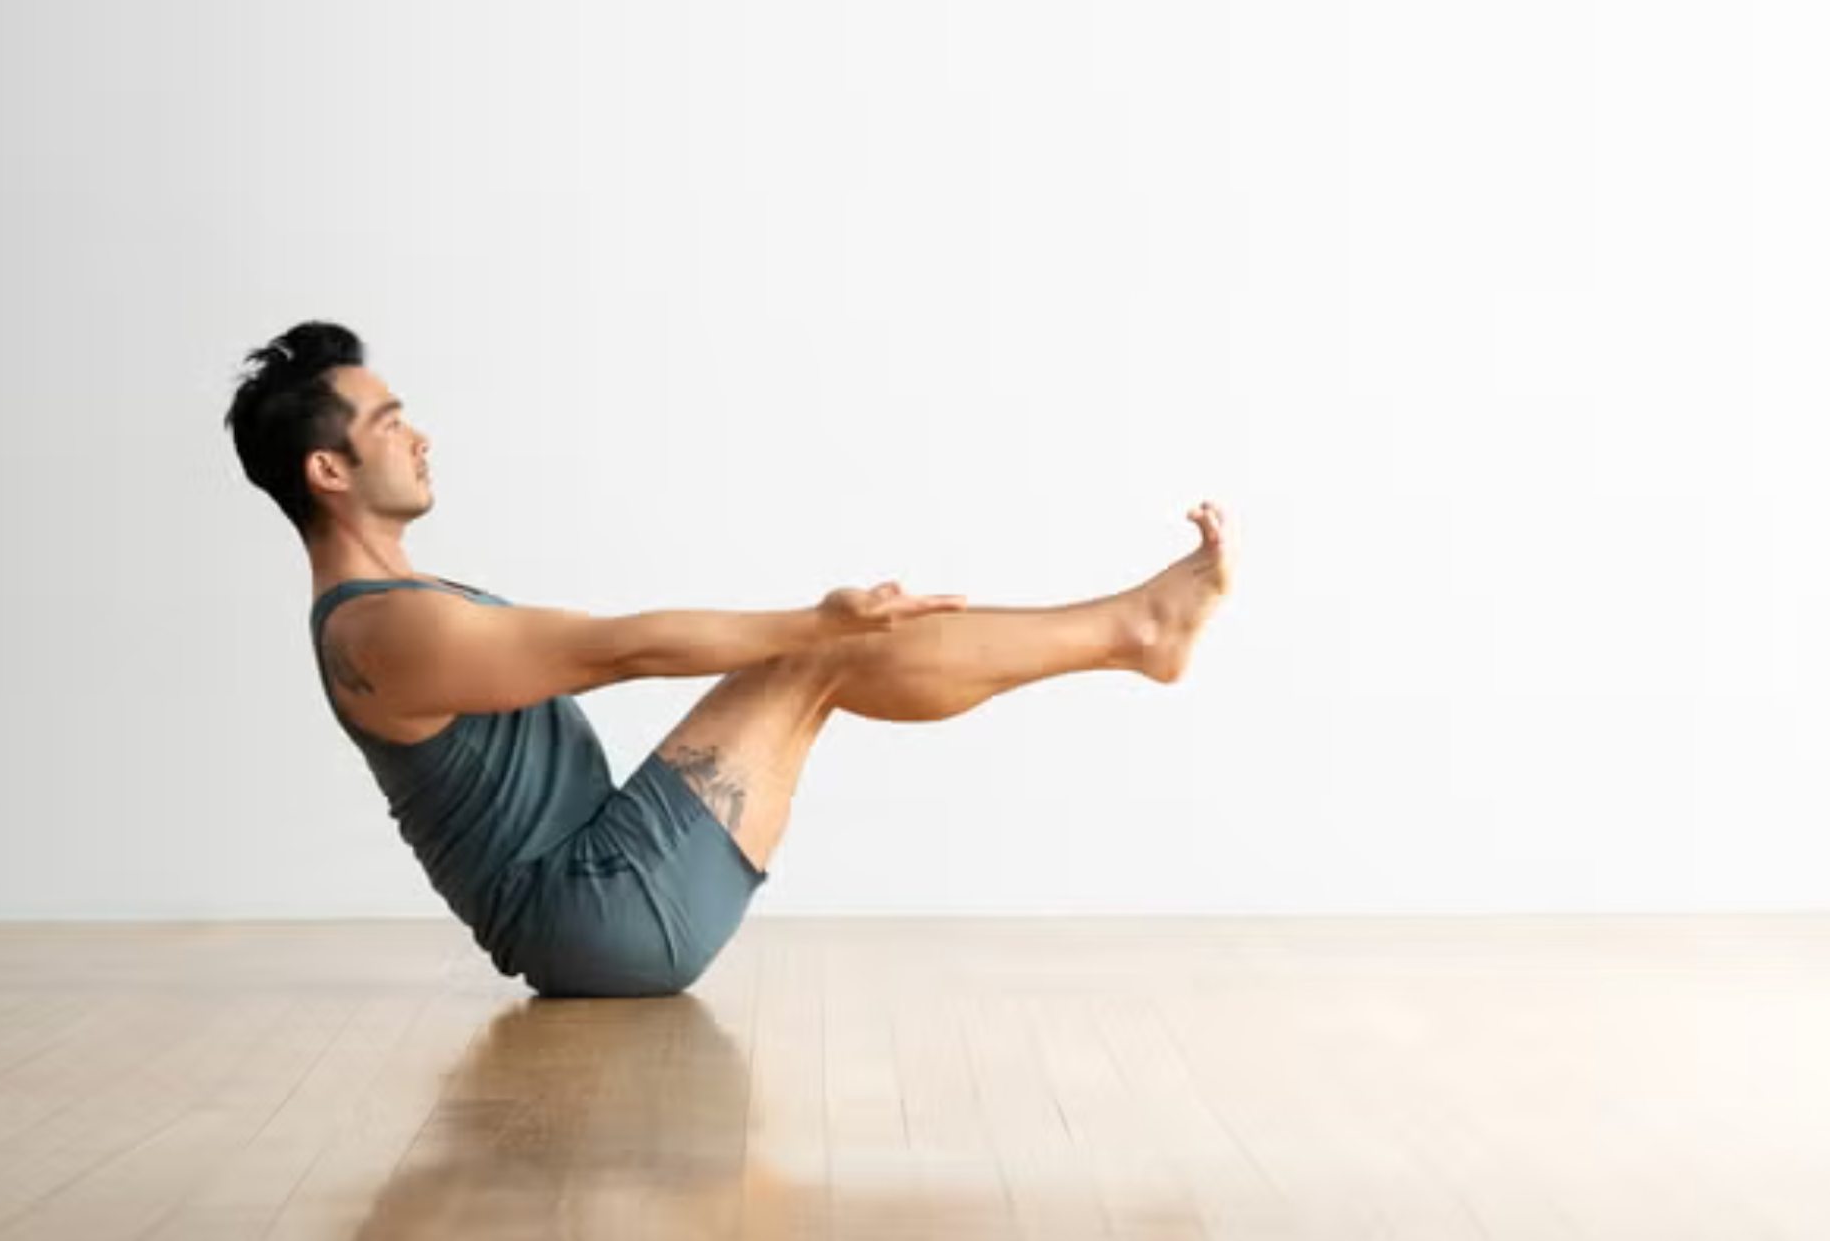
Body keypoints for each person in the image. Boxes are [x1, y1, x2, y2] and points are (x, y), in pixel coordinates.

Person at [225, 321, 1232, 997]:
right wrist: (812, 617)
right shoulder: (379, 632)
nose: (421, 438)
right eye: (391, 425)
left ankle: (1131, 632)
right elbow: (618, 650)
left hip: (598, 898)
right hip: (591, 910)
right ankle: (1133, 632)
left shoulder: (398, 607)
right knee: (812, 657)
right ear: (329, 470)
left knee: (819, 656)